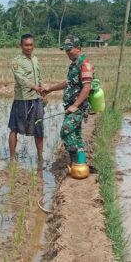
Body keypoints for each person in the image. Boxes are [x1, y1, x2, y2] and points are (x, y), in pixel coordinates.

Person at [43, 35, 96, 169]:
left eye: (69, 49)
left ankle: (75, 162)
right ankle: (82, 163)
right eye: (66, 50)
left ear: (78, 48)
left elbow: (87, 87)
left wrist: (75, 105)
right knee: (76, 135)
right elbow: (68, 83)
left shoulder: (85, 65)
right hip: (71, 106)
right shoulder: (74, 64)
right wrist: (50, 89)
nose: (67, 53)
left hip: (78, 107)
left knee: (65, 131)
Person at [8, 33, 45, 161]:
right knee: (14, 128)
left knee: (39, 128)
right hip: (22, 100)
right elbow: (20, 78)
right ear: (21, 45)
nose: (29, 47)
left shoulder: (35, 59)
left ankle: (40, 156)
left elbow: (39, 77)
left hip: (36, 99)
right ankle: (12, 157)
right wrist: (34, 87)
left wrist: (42, 92)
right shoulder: (16, 61)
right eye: (26, 45)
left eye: (31, 45)